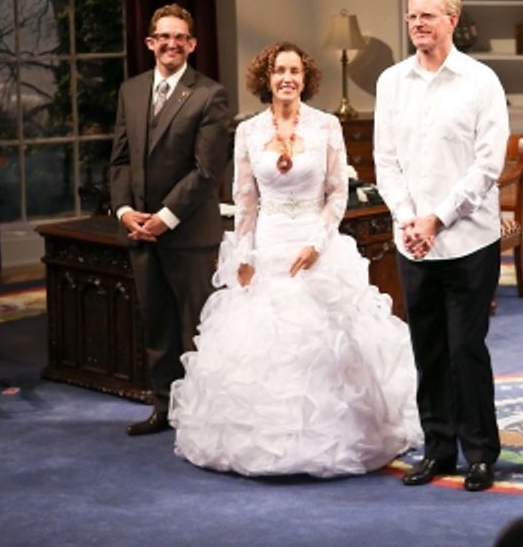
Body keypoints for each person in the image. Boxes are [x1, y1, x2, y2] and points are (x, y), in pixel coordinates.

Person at [169, 42, 421, 477]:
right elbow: (245, 200)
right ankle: (262, 444)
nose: (287, 78)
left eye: (295, 71)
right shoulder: (247, 131)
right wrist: (244, 253)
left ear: (306, 79)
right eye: (278, 70)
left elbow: (338, 194)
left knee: (324, 344)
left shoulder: (326, 126)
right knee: (260, 345)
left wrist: (318, 243)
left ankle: (333, 438)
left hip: (314, 245)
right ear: (266, 79)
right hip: (267, 245)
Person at [374, 0, 510, 492]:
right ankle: (438, 449)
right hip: (413, 241)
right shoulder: (391, 83)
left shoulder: (481, 82)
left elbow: (488, 165)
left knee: (465, 348)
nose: (418, 26)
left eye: (428, 17)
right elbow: (386, 161)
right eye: (412, 17)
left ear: (453, 20)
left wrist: (438, 219)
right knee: (427, 347)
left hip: (469, 239)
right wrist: (410, 219)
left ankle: (480, 452)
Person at [108, 3, 231, 436]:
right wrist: (125, 211)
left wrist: (164, 217)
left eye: (180, 37)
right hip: (141, 232)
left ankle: (205, 414)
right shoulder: (131, 90)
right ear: (150, 43)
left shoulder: (209, 94)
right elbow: (119, 160)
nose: (171, 43)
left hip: (188, 234)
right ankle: (165, 408)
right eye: (163, 36)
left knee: (196, 327)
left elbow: (208, 171)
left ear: (192, 44)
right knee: (157, 325)